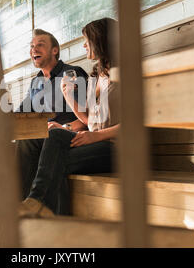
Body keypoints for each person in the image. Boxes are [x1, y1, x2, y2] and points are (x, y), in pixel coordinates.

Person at [20, 18, 120, 216]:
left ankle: (39, 208)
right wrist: (68, 97)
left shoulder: (125, 74)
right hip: (94, 142)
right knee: (52, 139)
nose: (83, 45)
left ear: (102, 40)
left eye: (87, 40)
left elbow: (139, 123)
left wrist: (95, 136)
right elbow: (88, 121)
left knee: (55, 158)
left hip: (117, 147)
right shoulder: (95, 77)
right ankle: (33, 205)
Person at [15, 29, 89, 201]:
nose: (34, 49)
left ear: (54, 50)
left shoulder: (72, 73)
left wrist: (64, 128)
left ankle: (25, 205)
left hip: (70, 136)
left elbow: (88, 118)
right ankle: (21, 205)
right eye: (32, 46)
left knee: (26, 143)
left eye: (40, 45)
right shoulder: (36, 82)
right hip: (43, 138)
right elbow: (20, 113)